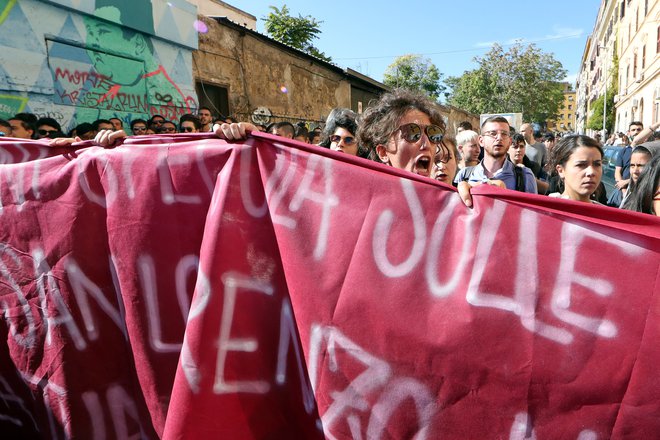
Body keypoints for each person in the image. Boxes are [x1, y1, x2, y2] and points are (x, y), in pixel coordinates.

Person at [357, 89, 449, 178]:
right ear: (383, 152)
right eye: (412, 133)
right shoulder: (366, 193)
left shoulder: (450, 194)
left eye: (433, 134)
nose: (427, 144)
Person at [455, 116, 537, 193]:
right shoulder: (464, 175)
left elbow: (532, 208)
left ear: (509, 141)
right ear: (481, 140)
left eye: (504, 134)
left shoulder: (524, 175)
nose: (499, 138)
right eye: (493, 133)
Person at [547, 135, 603, 204]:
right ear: (560, 170)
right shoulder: (548, 211)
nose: (591, 172)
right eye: (581, 165)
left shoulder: (606, 213)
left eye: (597, 164)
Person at [614, 121, 644, 191]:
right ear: (629, 133)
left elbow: (649, 174)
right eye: (633, 130)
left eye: (639, 129)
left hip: (641, 190)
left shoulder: (648, 150)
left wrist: (627, 182)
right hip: (624, 191)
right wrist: (622, 188)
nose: (636, 132)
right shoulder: (623, 151)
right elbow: (617, 171)